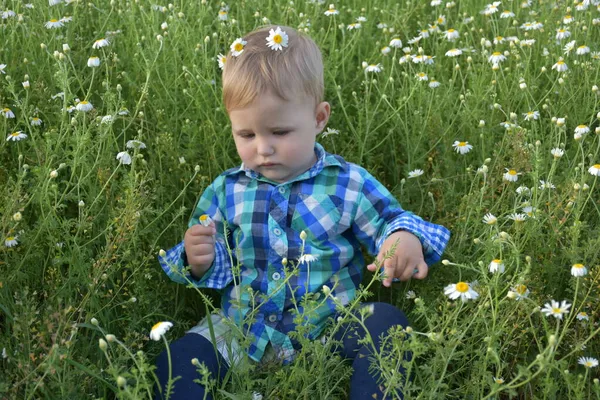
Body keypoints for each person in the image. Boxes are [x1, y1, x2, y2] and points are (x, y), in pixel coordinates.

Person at [155, 25, 450, 400]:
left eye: (279, 132)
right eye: (246, 135)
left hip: (330, 326)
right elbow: (215, 264)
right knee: (179, 360)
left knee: (386, 327)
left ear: (319, 118)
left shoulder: (347, 183)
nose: (263, 149)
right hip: (242, 328)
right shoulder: (226, 190)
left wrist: (401, 238)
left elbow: (388, 220)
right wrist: (198, 260)